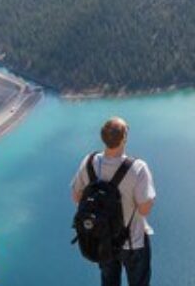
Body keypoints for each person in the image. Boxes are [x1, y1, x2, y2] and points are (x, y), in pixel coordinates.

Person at [71, 117, 156, 286]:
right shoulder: (138, 168)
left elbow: (76, 197)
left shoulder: (89, 161)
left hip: (103, 238)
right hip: (133, 243)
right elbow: (145, 209)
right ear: (124, 138)